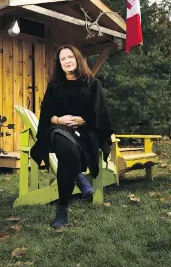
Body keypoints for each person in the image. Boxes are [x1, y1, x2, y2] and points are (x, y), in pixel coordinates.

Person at [30, 44, 114, 228]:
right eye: (63, 59)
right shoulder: (54, 86)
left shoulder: (92, 84)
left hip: (84, 132)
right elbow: (46, 114)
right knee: (63, 143)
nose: (67, 61)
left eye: (70, 57)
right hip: (57, 130)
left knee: (68, 155)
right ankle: (65, 203)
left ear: (78, 59)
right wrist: (59, 120)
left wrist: (82, 120)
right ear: (59, 64)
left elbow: (100, 113)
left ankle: (71, 192)